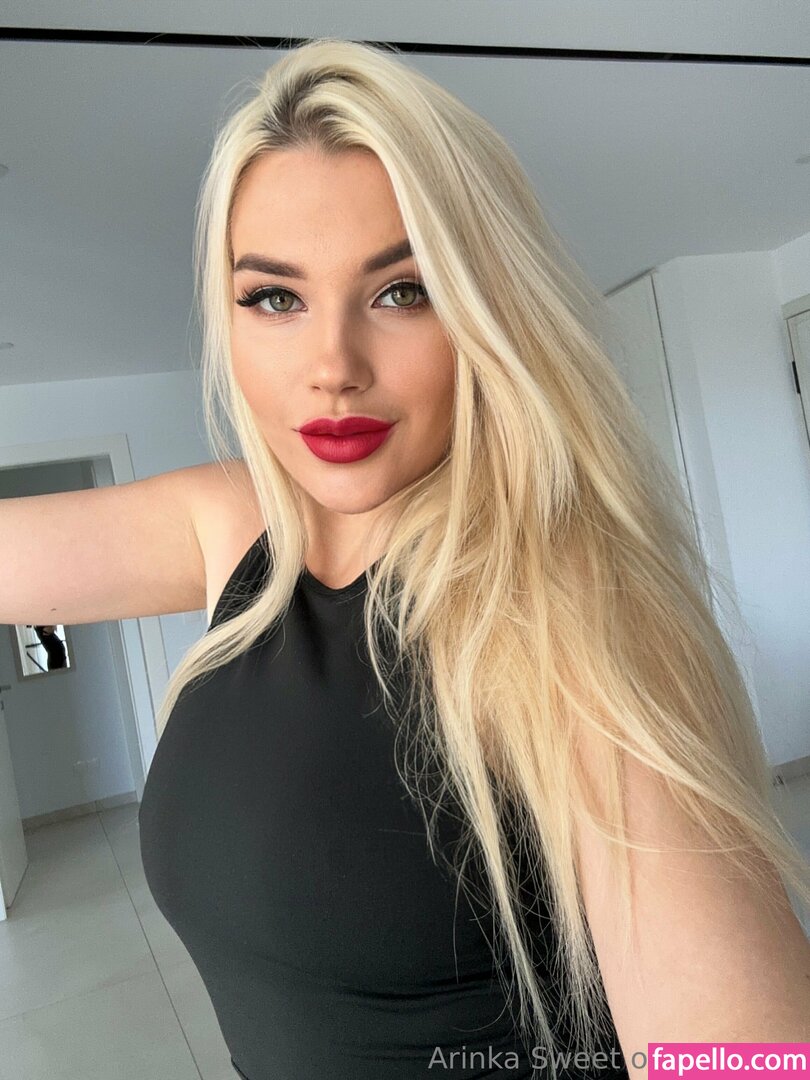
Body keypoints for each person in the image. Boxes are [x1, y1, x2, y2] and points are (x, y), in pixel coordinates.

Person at [4, 36, 809, 1080]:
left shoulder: (573, 614)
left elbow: (744, 1060)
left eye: (402, 290)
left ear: (487, 311)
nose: (332, 366)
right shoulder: (237, 527)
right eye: (275, 298)